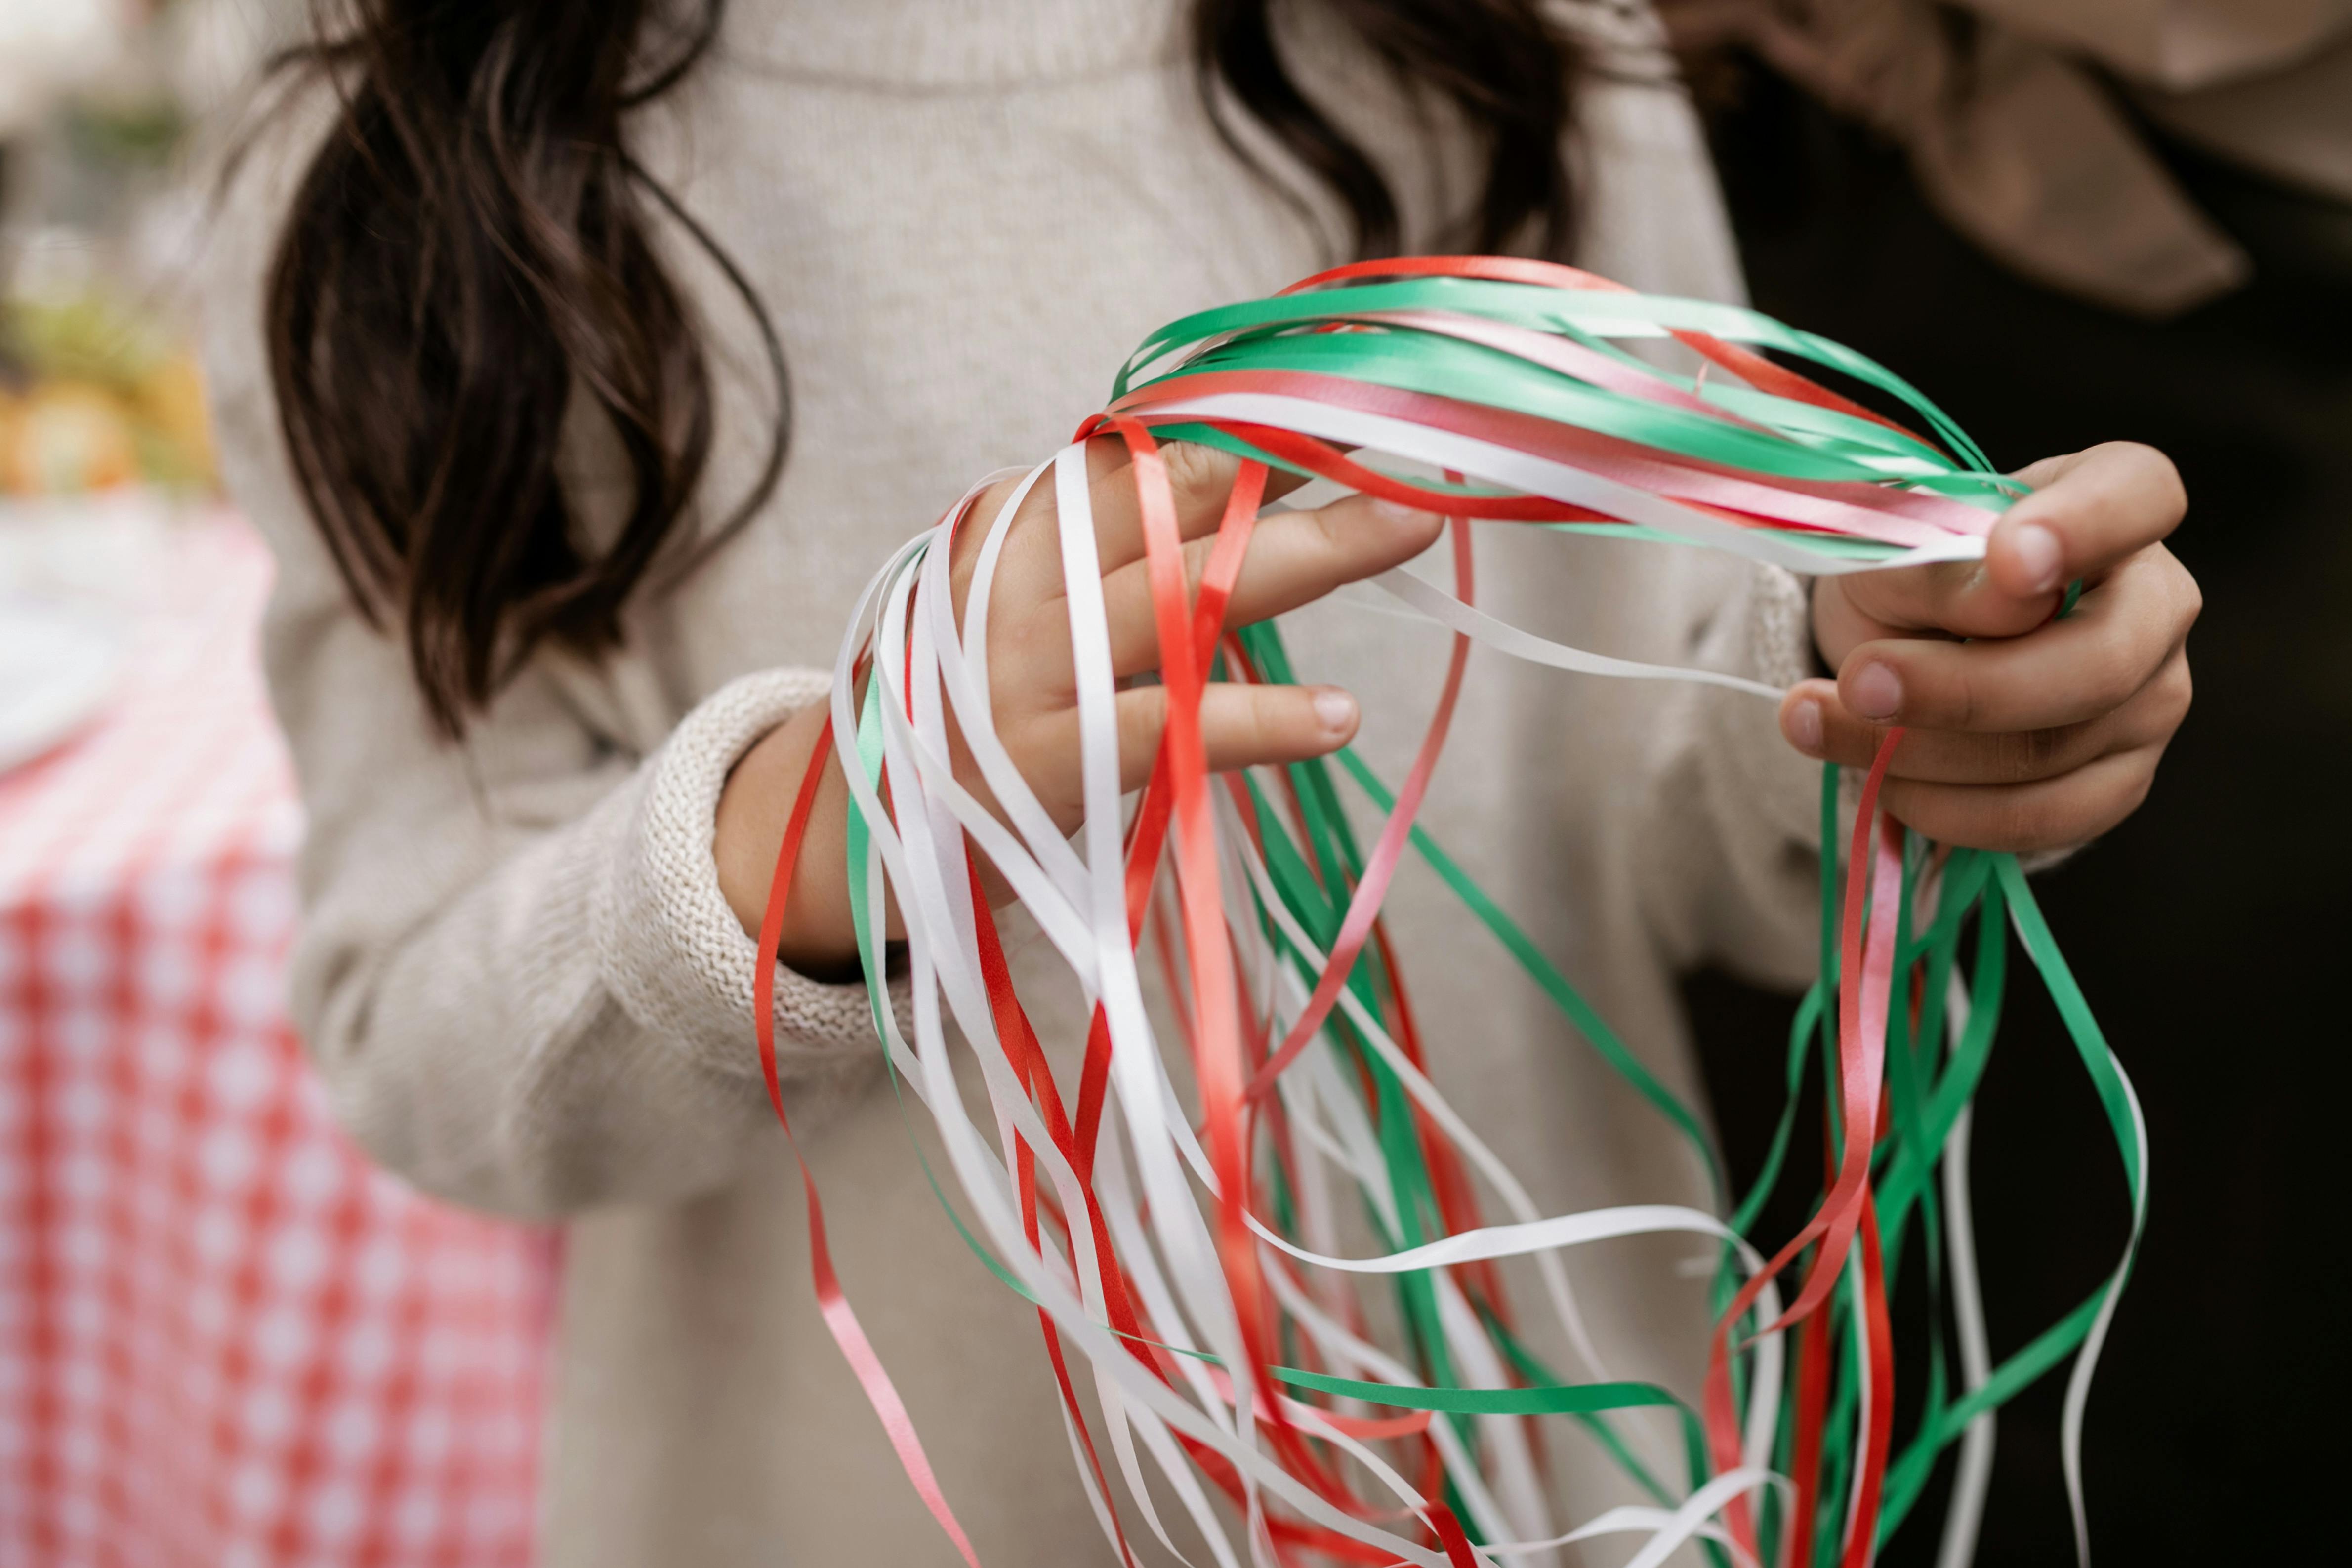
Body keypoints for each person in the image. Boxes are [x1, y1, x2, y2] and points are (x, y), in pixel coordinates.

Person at [196, 2, 2199, 1563]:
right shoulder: (387, 164)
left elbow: (1678, 788)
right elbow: (409, 1029)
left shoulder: (1515, 42)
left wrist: (1867, 688)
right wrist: (808, 844)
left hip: (1575, 1489)